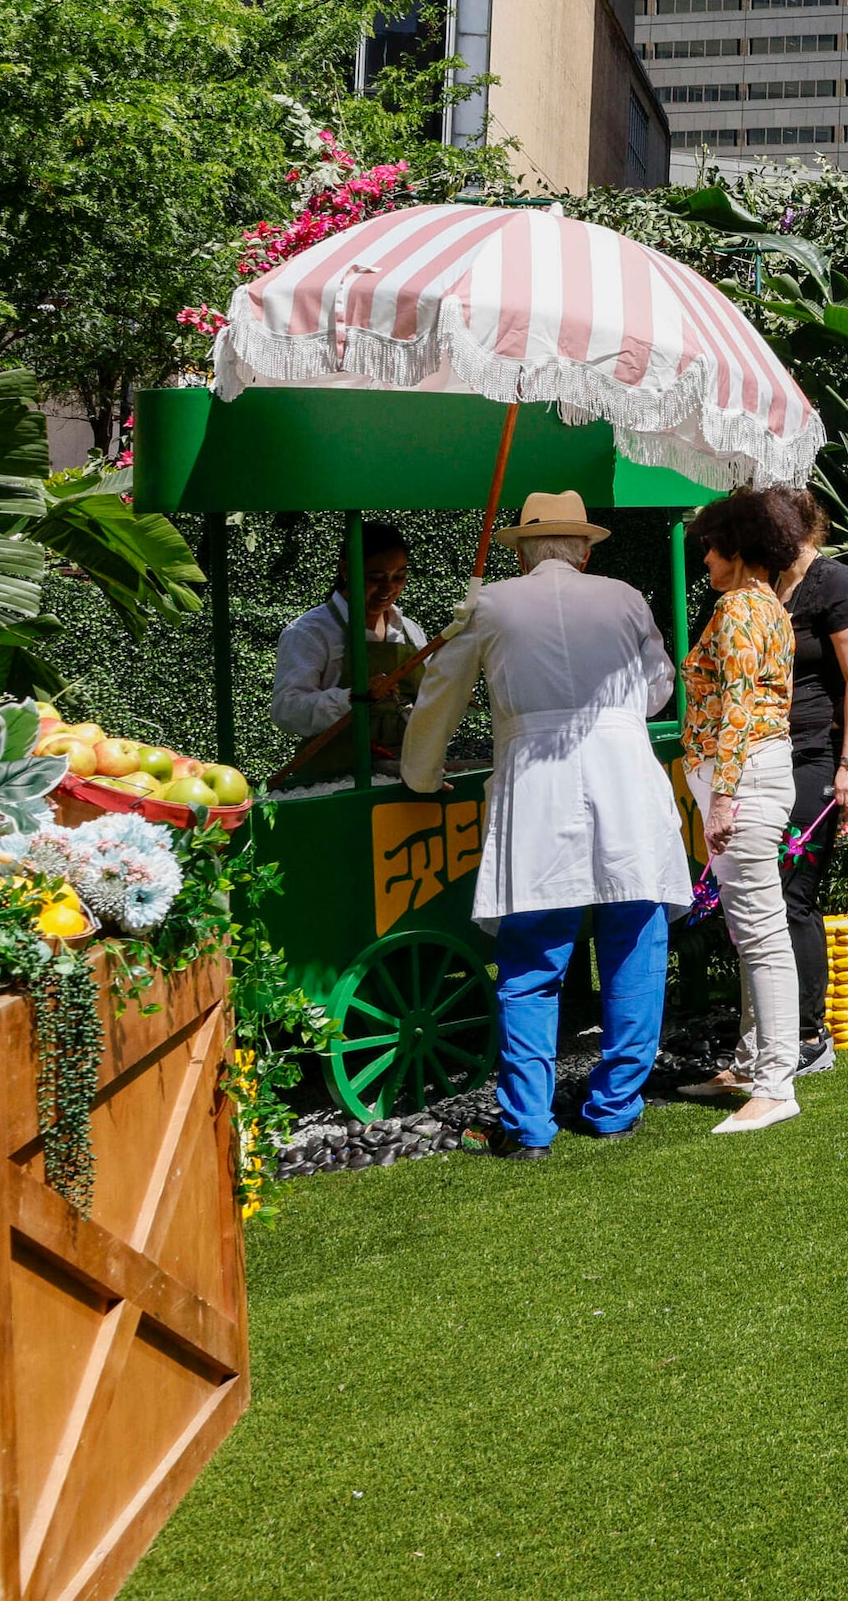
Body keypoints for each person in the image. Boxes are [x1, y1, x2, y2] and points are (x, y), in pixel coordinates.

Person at [401, 493, 690, 1157]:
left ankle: (528, 1125)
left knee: (532, 960)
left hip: (536, 785)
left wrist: (420, 774)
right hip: (625, 778)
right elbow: (657, 684)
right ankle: (615, 1105)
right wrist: (612, 716)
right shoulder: (623, 596)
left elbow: (440, 693)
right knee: (633, 946)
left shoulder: (491, 604)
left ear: (521, 551)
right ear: (584, 550)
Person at [675, 488, 808, 1133]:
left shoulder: (736, 610)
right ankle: (757, 1065)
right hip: (755, 773)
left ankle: (776, 1082)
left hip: (745, 778)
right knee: (755, 928)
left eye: (710, 546)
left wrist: (721, 795)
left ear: (737, 547)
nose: (704, 558)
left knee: (759, 932)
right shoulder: (769, 607)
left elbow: (736, 707)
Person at [778, 492, 848, 1073]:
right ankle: (773, 1024)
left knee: (794, 891)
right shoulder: (768, 585)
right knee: (767, 892)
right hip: (772, 756)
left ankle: (810, 1037)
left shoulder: (836, 584)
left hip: (822, 758)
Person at [273, 521, 427, 748]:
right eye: (375, 578)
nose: (388, 589)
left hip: (403, 766)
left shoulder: (410, 630)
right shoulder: (310, 632)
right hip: (333, 772)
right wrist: (352, 698)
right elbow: (287, 710)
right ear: (345, 570)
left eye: (398, 577)